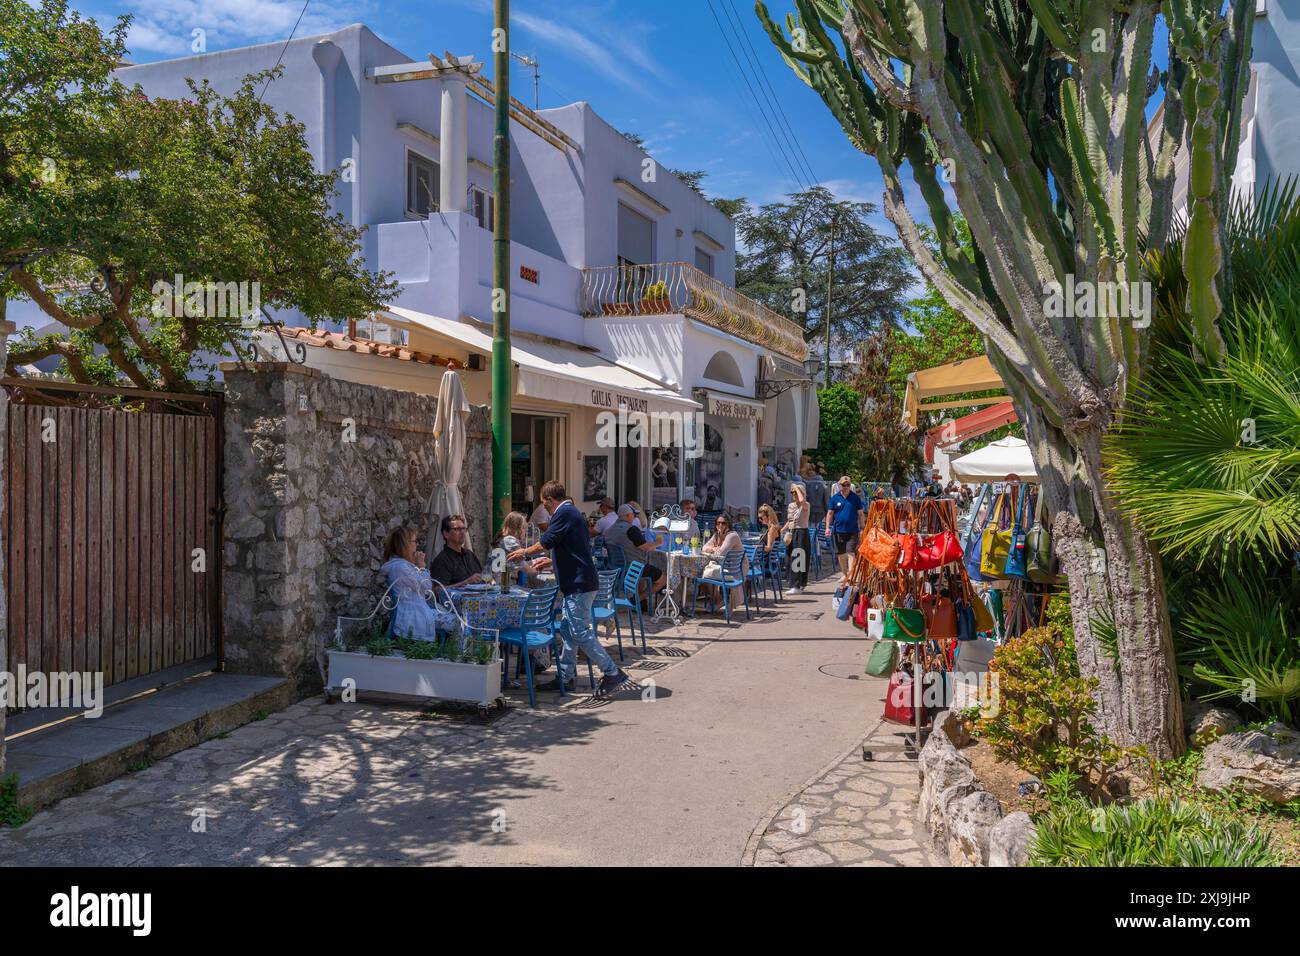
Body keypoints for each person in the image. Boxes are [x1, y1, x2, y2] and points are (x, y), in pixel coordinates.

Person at [508, 481, 631, 697]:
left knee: (579, 631)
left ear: (549, 500)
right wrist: (549, 562)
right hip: (579, 581)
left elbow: (548, 541)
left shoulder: (563, 513)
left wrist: (524, 553)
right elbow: (569, 547)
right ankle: (566, 676)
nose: (544, 507)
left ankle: (611, 672)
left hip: (579, 583)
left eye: (544, 503)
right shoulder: (573, 514)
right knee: (567, 629)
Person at [380, 526, 438, 641]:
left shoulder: (402, 566)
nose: (417, 545)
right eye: (414, 541)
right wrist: (421, 566)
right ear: (404, 545)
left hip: (418, 609)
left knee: (458, 620)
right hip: (413, 614)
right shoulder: (401, 568)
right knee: (460, 622)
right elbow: (427, 588)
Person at [603, 504, 667, 596]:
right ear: (628, 515)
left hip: (615, 567)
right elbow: (647, 548)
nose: (635, 517)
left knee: (643, 576)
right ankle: (638, 600)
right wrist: (658, 542)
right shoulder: (631, 529)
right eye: (634, 515)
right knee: (664, 579)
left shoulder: (609, 530)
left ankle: (640, 602)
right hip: (634, 567)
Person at [825, 475, 866, 586]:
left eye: (848, 485)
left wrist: (862, 528)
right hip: (838, 530)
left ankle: (851, 575)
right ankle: (844, 573)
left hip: (852, 530)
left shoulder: (855, 498)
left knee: (851, 552)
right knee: (841, 554)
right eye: (844, 485)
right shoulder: (835, 498)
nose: (846, 487)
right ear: (840, 486)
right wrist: (827, 527)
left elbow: (861, 514)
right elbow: (830, 513)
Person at [701, 512, 747, 610]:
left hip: (736, 569)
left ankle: (718, 600)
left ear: (728, 524)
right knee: (704, 572)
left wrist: (715, 549)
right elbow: (704, 547)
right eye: (718, 523)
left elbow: (720, 553)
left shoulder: (732, 536)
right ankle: (718, 599)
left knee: (705, 574)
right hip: (725, 566)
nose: (720, 525)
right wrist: (714, 548)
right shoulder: (717, 534)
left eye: (723, 523)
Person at [428, 514, 485, 587]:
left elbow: (482, 577)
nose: (462, 532)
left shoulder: (470, 555)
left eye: (463, 528)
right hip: (458, 598)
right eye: (457, 529)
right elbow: (438, 590)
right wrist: (466, 582)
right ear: (446, 534)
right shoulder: (442, 560)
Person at [785, 481, 811, 594]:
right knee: (790, 558)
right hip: (792, 532)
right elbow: (790, 520)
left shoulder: (806, 505)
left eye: (796, 493)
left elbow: (802, 501)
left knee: (799, 558)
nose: (794, 495)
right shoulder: (791, 505)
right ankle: (795, 584)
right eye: (792, 493)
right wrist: (781, 530)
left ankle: (797, 585)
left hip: (801, 532)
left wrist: (797, 487)